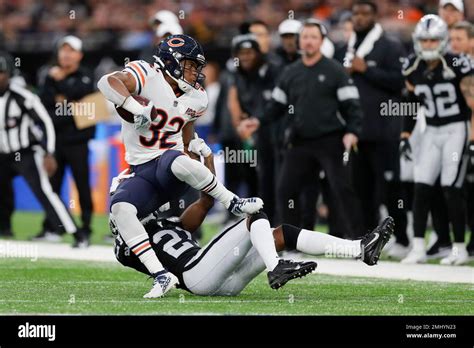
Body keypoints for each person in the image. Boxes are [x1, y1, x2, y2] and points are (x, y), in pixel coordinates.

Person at [113, 139, 394, 296]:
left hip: (224, 281)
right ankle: (276, 267)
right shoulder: (127, 243)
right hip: (197, 274)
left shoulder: (168, 223)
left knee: (278, 235)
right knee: (253, 213)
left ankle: (360, 249)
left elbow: (207, 198)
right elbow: (130, 234)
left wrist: (208, 158)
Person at [97, 34, 264, 298]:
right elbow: (106, 82)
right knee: (120, 208)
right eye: (191, 64)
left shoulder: (197, 97)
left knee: (172, 158)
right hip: (142, 170)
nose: (196, 71)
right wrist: (132, 105)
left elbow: (185, 137)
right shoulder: (146, 74)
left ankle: (233, 201)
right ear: (171, 61)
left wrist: (196, 148)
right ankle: (160, 275)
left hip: (170, 169)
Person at [244, 19, 364, 238]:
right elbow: (276, 106)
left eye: (313, 37)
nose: (308, 41)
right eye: (305, 37)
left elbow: (352, 105)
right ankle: (291, 240)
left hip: (331, 139)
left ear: (321, 41)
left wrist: (352, 131)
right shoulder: (291, 72)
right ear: (300, 41)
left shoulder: (335, 71)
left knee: (342, 189)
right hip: (300, 140)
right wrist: (258, 120)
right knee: (285, 189)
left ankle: (358, 240)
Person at [399, 15, 474, 265]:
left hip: (456, 128)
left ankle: (459, 247)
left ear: (442, 41)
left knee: (451, 188)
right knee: (421, 186)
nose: (429, 44)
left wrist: (472, 137)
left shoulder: (457, 64)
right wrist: (406, 135)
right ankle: (418, 246)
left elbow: (472, 104)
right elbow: (411, 105)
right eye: (424, 40)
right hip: (430, 130)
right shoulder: (412, 66)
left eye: (433, 40)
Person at [338, 0, 409, 258]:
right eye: (355, 13)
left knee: (390, 187)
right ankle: (369, 238)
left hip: (384, 129)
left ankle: (402, 238)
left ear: (374, 16)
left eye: (365, 13)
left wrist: (366, 69)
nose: (359, 17)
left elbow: (401, 81)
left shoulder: (390, 46)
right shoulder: (346, 47)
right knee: (362, 189)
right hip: (356, 132)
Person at [0, 51, 86, 247]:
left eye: (1, 72)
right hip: (1, 155)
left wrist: (49, 152)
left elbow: (45, 122)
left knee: (46, 192)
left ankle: (77, 233)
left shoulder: (21, 96)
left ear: (9, 74)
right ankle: (4, 228)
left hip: (25, 152)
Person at [37, 36, 95, 245]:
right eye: (63, 50)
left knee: (82, 186)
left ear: (79, 55)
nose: (66, 54)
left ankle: (86, 228)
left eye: (71, 51)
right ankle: (52, 227)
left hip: (78, 143)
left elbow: (89, 110)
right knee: (51, 187)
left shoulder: (87, 76)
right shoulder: (48, 77)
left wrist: (61, 87)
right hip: (55, 142)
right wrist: (70, 108)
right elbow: (44, 110)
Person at [228, 33, 280, 223]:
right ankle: (257, 221)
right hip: (252, 136)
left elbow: (276, 104)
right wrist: (241, 122)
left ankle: (276, 223)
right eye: (242, 53)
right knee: (252, 178)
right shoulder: (240, 77)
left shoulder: (273, 70)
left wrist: (254, 122)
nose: (246, 57)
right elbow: (236, 102)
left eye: (250, 52)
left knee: (273, 181)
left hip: (274, 136)